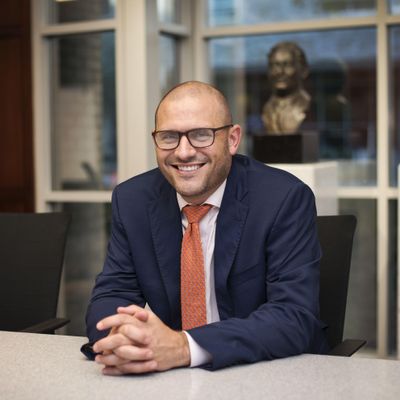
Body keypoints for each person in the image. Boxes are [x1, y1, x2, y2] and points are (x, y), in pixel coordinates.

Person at [85, 80, 328, 375]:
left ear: (233, 139)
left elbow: (293, 316)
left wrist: (184, 347)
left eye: (201, 135)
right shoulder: (132, 201)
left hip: (266, 374)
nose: (184, 152)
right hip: (172, 378)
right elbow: (111, 295)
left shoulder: (283, 199)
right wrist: (124, 341)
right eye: (169, 137)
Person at [262, 41, 310, 134]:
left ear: (304, 70)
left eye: (287, 65)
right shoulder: (267, 109)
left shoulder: (306, 105)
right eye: (274, 65)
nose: (279, 71)